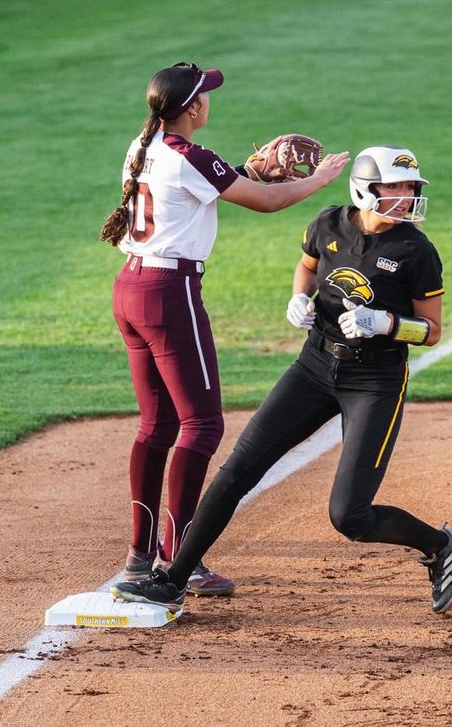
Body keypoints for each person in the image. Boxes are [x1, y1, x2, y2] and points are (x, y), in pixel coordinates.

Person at [112, 145, 452, 615]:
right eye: (395, 187)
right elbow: (307, 267)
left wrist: (385, 324)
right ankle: (173, 578)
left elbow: (432, 331)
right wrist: (299, 298)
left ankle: (441, 545)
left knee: (351, 516)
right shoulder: (328, 224)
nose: (405, 197)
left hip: (374, 381)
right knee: (236, 472)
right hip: (314, 366)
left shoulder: (416, 251)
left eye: (410, 188)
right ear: (365, 189)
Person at [100, 61, 349, 596]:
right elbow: (267, 202)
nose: (210, 99)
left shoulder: (142, 146)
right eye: (206, 95)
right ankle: (180, 560)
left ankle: (140, 557)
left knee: (156, 426)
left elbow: (200, 186)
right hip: (169, 296)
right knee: (202, 425)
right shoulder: (191, 157)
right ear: (192, 108)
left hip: (130, 288)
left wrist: (243, 171)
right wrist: (319, 179)